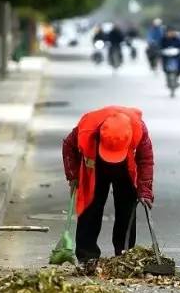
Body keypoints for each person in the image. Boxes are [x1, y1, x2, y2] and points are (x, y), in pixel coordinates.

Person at [62, 106, 154, 264]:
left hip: (125, 167)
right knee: (90, 207)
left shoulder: (139, 129)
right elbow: (68, 147)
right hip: (96, 167)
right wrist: (73, 175)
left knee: (127, 208)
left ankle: (124, 255)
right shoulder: (86, 129)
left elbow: (145, 160)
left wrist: (144, 190)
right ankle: (87, 256)